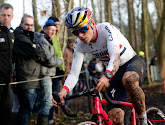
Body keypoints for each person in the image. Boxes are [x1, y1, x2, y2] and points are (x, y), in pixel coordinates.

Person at [53, 7, 147, 125]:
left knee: (129, 79)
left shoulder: (106, 29)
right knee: (115, 118)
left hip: (131, 62)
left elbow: (115, 56)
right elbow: (74, 74)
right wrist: (63, 92)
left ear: (92, 24)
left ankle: (143, 120)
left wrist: (106, 77)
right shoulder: (79, 45)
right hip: (113, 72)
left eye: (83, 29)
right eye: (75, 32)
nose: (80, 35)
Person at [36, 18, 63, 125]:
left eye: (54, 30)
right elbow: (49, 60)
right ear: (44, 29)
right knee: (47, 102)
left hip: (49, 74)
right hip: (44, 74)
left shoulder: (48, 39)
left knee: (47, 102)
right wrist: (60, 61)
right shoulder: (42, 40)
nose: (52, 32)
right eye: (50, 29)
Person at [48, 16, 65, 125]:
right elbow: (55, 56)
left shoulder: (56, 36)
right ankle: (50, 119)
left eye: (59, 25)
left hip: (57, 70)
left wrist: (61, 69)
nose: (58, 28)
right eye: (56, 25)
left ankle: (53, 117)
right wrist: (59, 68)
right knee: (51, 98)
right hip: (52, 72)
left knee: (55, 96)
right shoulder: (51, 36)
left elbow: (59, 54)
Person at [0, 3, 14, 125]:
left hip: (8, 80)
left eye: (8, 15)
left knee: (7, 111)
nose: (6, 18)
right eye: (3, 15)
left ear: (12, 16)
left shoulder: (10, 33)